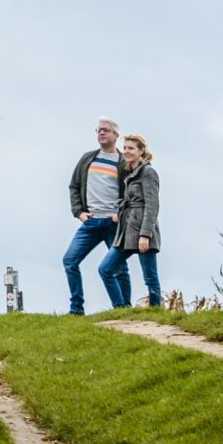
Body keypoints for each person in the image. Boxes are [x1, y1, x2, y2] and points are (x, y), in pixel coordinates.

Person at [62, 117, 124, 314]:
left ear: (116, 135)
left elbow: (131, 193)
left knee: (119, 268)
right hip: (90, 222)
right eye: (98, 130)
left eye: (105, 130)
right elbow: (74, 186)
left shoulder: (124, 163)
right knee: (70, 261)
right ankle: (76, 309)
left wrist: (120, 214)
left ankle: (124, 309)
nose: (101, 133)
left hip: (113, 223)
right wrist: (79, 212)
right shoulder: (88, 159)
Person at [100, 133, 162, 307]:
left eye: (131, 148)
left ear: (141, 151)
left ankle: (155, 313)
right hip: (126, 230)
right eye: (125, 148)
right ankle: (121, 308)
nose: (126, 151)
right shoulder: (130, 172)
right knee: (105, 269)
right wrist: (119, 213)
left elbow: (152, 205)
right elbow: (127, 200)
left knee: (150, 277)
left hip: (143, 229)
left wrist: (145, 235)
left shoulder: (148, 172)